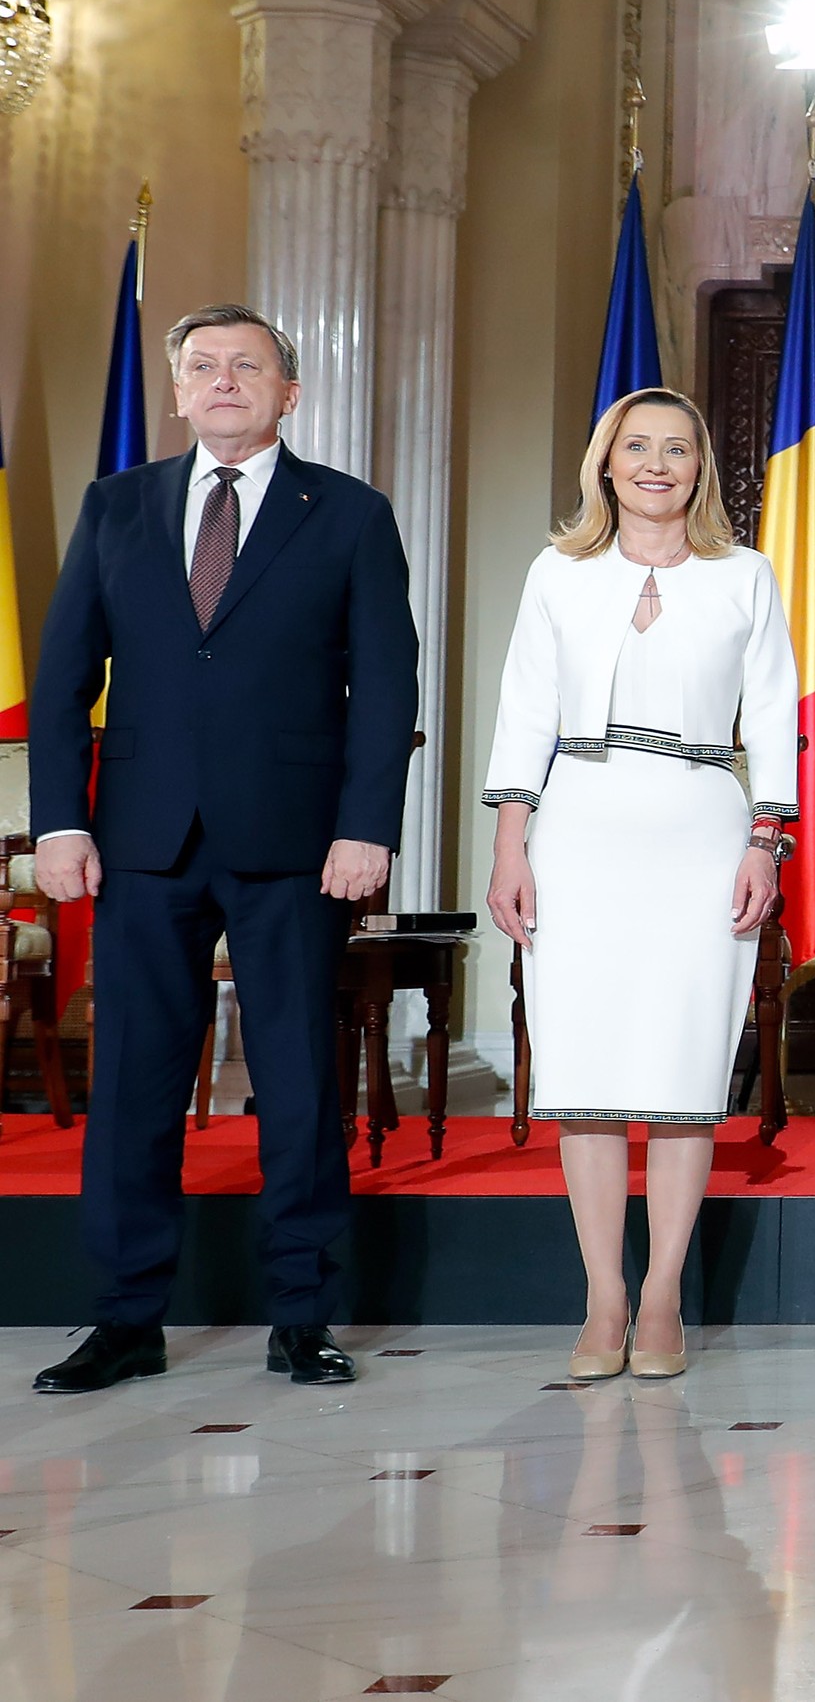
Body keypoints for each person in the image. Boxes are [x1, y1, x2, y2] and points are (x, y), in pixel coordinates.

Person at [29, 306, 416, 1397]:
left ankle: (303, 1315)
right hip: (141, 844)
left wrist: (366, 825)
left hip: (297, 844)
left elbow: (385, 687)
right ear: (179, 391)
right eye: (203, 366)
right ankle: (124, 1318)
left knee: (296, 1081)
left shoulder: (347, 513)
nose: (224, 380)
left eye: (248, 366)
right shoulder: (116, 507)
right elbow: (64, 681)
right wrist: (62, 820)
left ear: (289, 393)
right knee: (135, 1090)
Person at [481, 388, 801, 1381]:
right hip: (577, 827)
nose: (657, 464)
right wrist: (509, 845)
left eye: (677, 449)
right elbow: (526, 707)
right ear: (605, 465)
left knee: (681, 1074)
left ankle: (661, 1291)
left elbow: (776, 712)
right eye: (637, 448)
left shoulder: (744, 576)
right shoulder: (558, 573)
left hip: (703, 826)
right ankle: (603, 1297)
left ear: (701, 467)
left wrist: (765, 839)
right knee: (582, 1077)